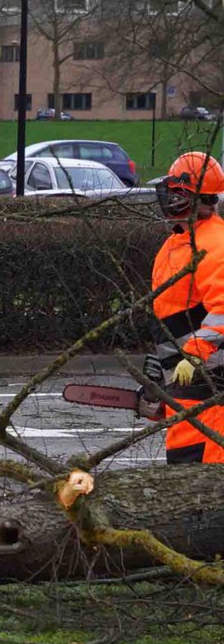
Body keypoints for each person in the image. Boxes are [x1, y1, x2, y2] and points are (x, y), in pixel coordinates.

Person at [145, 151, 224, 464]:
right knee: (182, 468)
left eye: (177, 194)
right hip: (185, 384)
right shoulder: (173, 246)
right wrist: (160, 365)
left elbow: (222, 310)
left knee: (206, 475)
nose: (169, 200)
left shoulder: (215, 244)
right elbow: (169, 316)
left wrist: (194, 353)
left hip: (212, 384)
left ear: (196, 199)